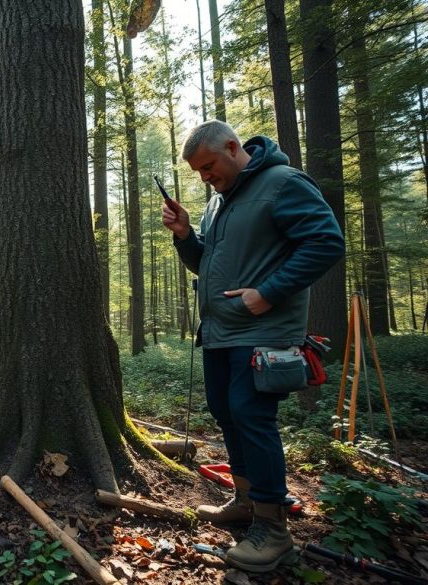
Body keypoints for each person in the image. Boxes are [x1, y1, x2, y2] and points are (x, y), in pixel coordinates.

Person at [162, 121, 345, 573]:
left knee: (252, 415)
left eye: (209, 166)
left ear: (232, 147)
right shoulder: (217, 204)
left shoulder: (282, 183)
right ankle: (244, 500)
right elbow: (206, 265)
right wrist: (187, 235)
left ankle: (273, 530)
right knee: (225, 411)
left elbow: (326, 242)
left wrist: (266, 292)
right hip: (221, 332)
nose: (206, 177)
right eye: (199, 172)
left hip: (264, 332)